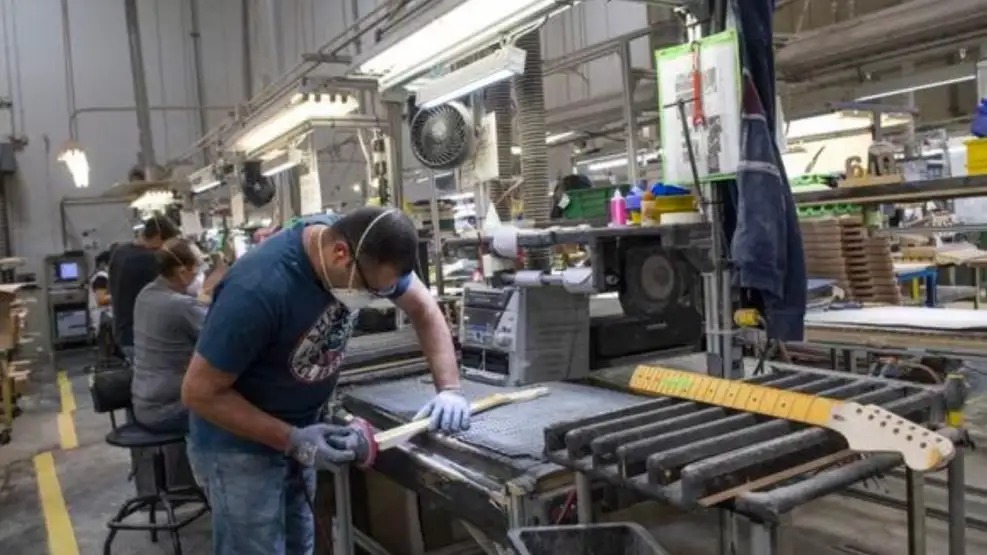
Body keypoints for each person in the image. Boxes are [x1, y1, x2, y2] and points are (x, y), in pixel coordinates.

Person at [181, 207, 469, 555]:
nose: (373, 299)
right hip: (238, 449)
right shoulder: (257, 289)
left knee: (299, 545)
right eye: (369, 290)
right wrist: (291, 438)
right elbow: (199, 392)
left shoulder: (363, 249)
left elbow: (424, 309)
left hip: (301, 432)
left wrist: (449, 389)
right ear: (340, 254)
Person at [131, 238, 208, 434]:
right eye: (198, 267)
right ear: (182, 272)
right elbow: (224, 338)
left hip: (144, 404)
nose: (200, 273)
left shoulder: (145, 294)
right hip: (170, 410)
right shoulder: (181, 306)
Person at [108, 215, 180, 362]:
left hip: (122, 332)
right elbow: (172, 290)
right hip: (141, 336)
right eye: (167, 244)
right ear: (158, 237)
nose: (166, 249)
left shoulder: (120, 251)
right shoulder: (149, 259)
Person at [88, 250, 112, 336]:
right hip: (103, 319)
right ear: (103, 264)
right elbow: (101, 299)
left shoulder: (98, 276)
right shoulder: (101, 277)